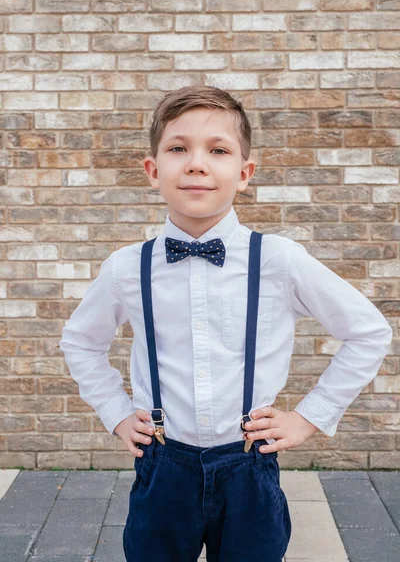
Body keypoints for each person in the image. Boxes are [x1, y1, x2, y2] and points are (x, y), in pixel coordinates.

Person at [59, 85, 393, 562]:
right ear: (154, 171)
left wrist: (309, 417)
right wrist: (114, 410)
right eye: (178, 149)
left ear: (244, 173)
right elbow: (81, 342)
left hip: (249, 468)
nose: (197, 163)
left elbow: (368, 331)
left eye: (218, 150)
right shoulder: (126, 267)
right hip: (162, 465)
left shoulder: (278, 259)